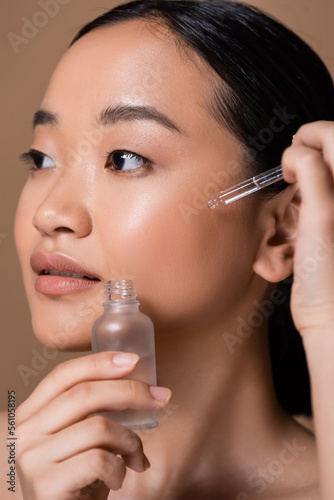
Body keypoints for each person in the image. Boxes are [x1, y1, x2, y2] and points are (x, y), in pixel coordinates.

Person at [3, 0, 334, 498]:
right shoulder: (10, 468)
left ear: (283, 230)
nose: (48, 214)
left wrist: (328, 315)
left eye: (125, 158)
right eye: (42, 158)